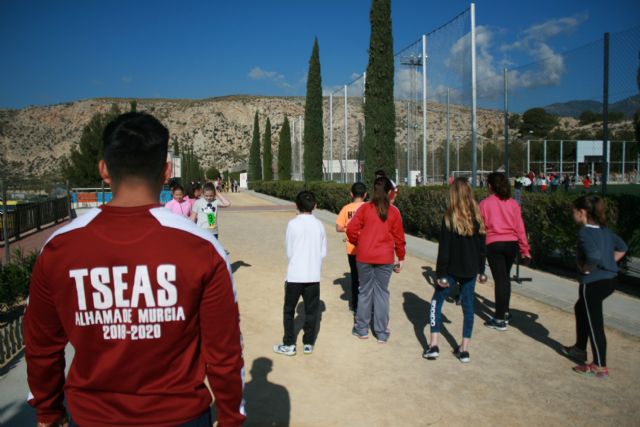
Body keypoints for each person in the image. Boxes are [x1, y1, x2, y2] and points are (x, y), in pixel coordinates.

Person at [24, 112, 246, 427]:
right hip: (180, 416)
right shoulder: (202, 247)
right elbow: (224, 348)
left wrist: (47, 410)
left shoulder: (59, 248)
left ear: (103, 169)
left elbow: (41, 344)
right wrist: (231, 416)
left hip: (90, 416)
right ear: (166, 171)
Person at [562, 196, 627, 379]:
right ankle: (579, 349)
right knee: (580, 308)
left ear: (582, 213)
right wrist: (609, 263)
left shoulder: (585, 233)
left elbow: (594, 255)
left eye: (574, 211)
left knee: (594, 322)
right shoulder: (605, 231)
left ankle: (599, 365)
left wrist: (588, 268)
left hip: (593, 282)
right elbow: (623, 247)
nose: (572, 214)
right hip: (610, 280)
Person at [424, 178, 486, 363]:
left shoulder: (449, 217)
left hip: (451, 270)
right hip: (470, 270)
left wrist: (440, 274)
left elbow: (444, 250)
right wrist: (481, 270)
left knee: (436, 303)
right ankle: (464, 349)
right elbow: (482, 248)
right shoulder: (477, 217)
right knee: (468, 308)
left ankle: (434, 344)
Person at [347, 177, 406, 343]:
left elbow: (351, 229)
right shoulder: (393, 211)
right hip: (385, 257)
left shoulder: (365, 209)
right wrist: (401, 257)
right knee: (381, 293)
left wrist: (358, 241)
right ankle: (381, 332)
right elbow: (399, 237)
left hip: (364, 255)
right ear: (389, 192)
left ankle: (362, 329)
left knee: (364, 291)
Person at [273, 191, 327, 356]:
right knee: (312, 311)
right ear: (315, 206)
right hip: (313, 275)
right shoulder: (319, 225)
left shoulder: (293, 224)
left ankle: (289, 343)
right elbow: (323, 252)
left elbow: (289, 250)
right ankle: (308, 343)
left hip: (295, 275)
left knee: (289, 310)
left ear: (296, 206)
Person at [480, 172, 531, 331]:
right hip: (512, 244)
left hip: (494, 243)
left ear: (490, 186)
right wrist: (525, 250)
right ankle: (505, 311)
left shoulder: (484, 204)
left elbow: (480, 228)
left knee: (500, 280)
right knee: (505, 278)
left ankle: (500, 318)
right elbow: (520, 228)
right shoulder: (513, 204)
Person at [336, 182, 367, 314]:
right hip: (367, 248)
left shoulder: (346, 208)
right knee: (367, 278)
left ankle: (354, 305)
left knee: (355, 277)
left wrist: (347, 228)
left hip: (352, 248)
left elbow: (338, 227)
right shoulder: (369, 207)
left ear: (351, 194)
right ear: (365, 195)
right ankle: (367, 305)